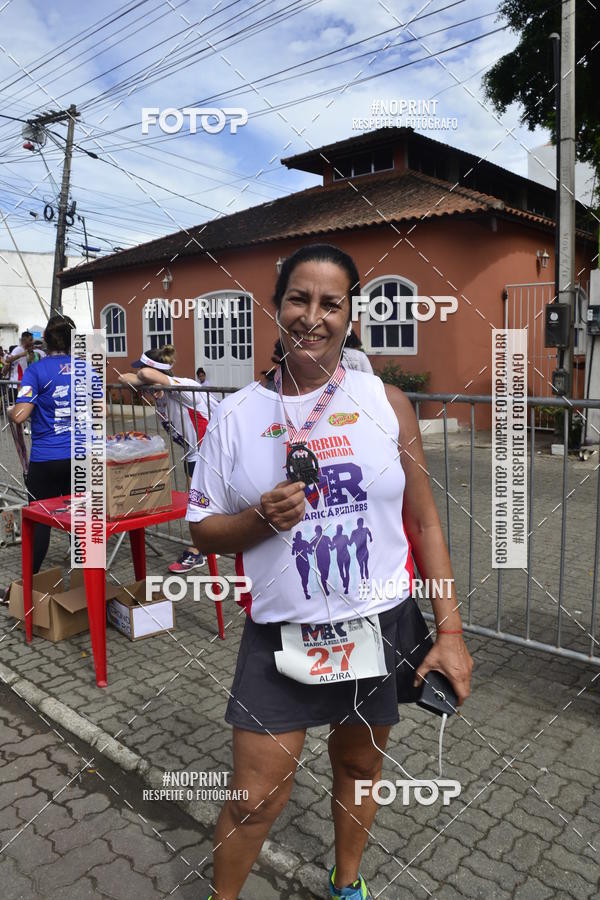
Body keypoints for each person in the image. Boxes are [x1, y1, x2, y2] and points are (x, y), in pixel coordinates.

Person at [186, 243, 473, 900]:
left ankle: (348, 884)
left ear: (349, 317)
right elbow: (201, 527)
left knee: (359, 765)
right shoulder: (235, 417)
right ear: (277, 306)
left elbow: (425, 523)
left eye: (329, 303)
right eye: (298, 299)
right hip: (282, 637)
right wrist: (259, 520)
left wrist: (450, 633)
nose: (311, 316)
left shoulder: (386, 403)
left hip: (377, 626)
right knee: (255, 800)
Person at [119, 345, 210, 572]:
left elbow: (147, 374)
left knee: (197, 502)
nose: (140, 374)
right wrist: (149, 383)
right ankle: (208, 545)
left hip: (211, 449)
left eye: (142, 369)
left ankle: (200, 550)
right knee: (199, 500)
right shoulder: (159, 389)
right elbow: (123, 377)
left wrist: (152, 380)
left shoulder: (184, 387)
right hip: (195, 451)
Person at [8, 316, 75, 573]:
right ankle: (91, 593)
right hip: (79, 459)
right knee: (80, 522)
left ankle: (27, 586)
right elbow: (100, 411)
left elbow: (21, 415)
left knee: (40, 523)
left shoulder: (37, 371)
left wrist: (13, 408)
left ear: (45, 341)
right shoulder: (86, 369)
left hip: (46, 460)